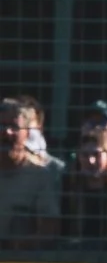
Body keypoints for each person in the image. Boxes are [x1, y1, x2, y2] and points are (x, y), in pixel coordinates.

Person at [0, 97, 63, 248]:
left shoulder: (40, 175)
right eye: (1, 125)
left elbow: (50, 227)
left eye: (14, 127)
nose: (6, 132)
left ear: (27, 133)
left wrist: (20, 244)